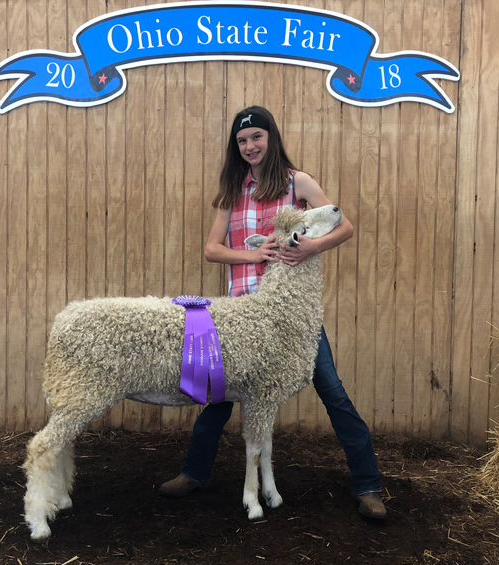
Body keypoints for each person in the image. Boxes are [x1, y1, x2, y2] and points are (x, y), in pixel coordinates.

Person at [158, 106, 387, 520]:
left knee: (331, 390)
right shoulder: (233, 189)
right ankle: (194, 473)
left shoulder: (297, 182)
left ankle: (368, 485)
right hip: (244, 315)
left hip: (291, 317)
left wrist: (311, 247)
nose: (250, 147)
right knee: (218, 398)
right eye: (242, 141)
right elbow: (212, 250)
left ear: (271, 138)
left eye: (256, 138)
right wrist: (253, 252)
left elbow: (343, 225)